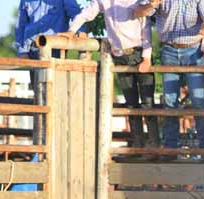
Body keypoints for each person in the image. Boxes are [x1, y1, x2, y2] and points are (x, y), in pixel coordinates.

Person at [60, 0, 160, 148]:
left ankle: (154, 146)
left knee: (147, 102)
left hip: (138, 53)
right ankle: (138, 146)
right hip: (120, 56)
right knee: (131, 104)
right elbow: (86, 14)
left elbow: (145, 28)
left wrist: (146, 57)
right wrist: (71, 30)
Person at [134, 0, 204, 155]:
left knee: (198, 100)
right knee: (170, 100)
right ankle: (171, 148)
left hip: (194, 49)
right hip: (169, 49)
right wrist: (153, 4)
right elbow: (139, 12)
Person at [15, 0, 83, 60]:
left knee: (52, 74)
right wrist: (22, 52)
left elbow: (78, 16)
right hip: (31, 50)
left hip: (55, 49)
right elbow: (20, 26)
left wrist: (82, 32)